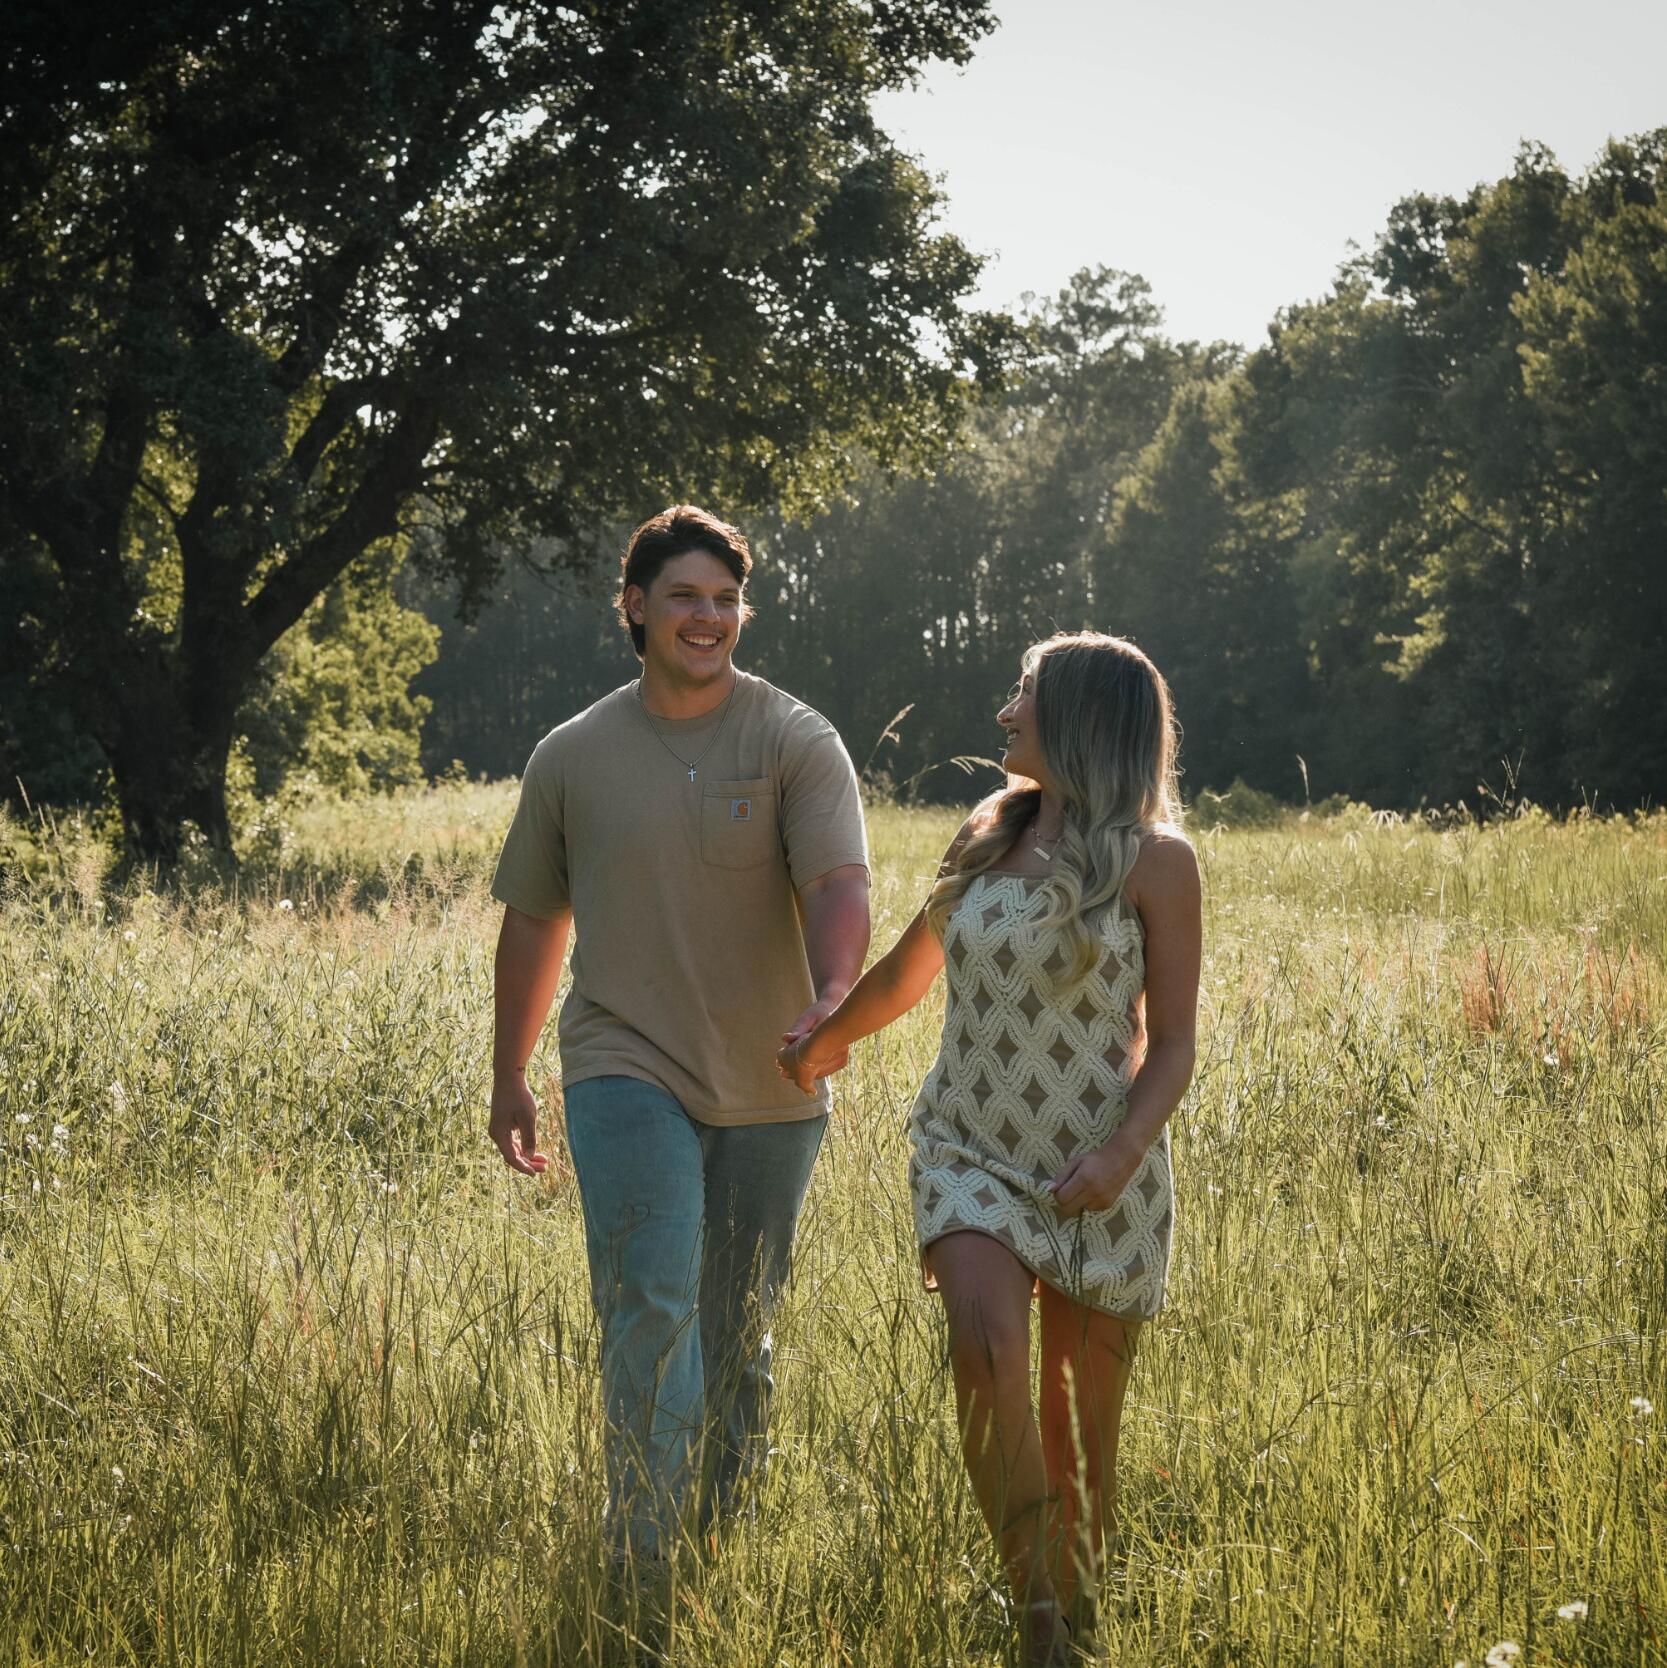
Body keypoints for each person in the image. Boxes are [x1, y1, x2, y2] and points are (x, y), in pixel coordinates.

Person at [779, 631, 1200, 1666]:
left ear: (1079, 719)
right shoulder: (982, 833)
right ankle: (1036, 1619)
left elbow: (1177, 1045)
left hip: (1099, 1173)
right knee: (982, 1353)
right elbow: (908, 970)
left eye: (1022, 698)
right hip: (966, 1150)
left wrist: (1118, 1157)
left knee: (1076, 1430)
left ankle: (1082, 1618)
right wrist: (820, 1044)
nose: (1004, 714)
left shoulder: (1157, 861)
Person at [488, 505, 871, 1577]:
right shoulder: (572, 754)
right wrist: (509, 1073)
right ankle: (642, 1551)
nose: (707, 617)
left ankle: (718, 1534)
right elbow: (534, 918)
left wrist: (836, 990)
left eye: (723, 598)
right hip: (622, 1058)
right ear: (635, 608)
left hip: (773, 1073)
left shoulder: (795, 738)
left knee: (736, 1329)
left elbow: (837, 881)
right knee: (651, 1297)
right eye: (683, 597)